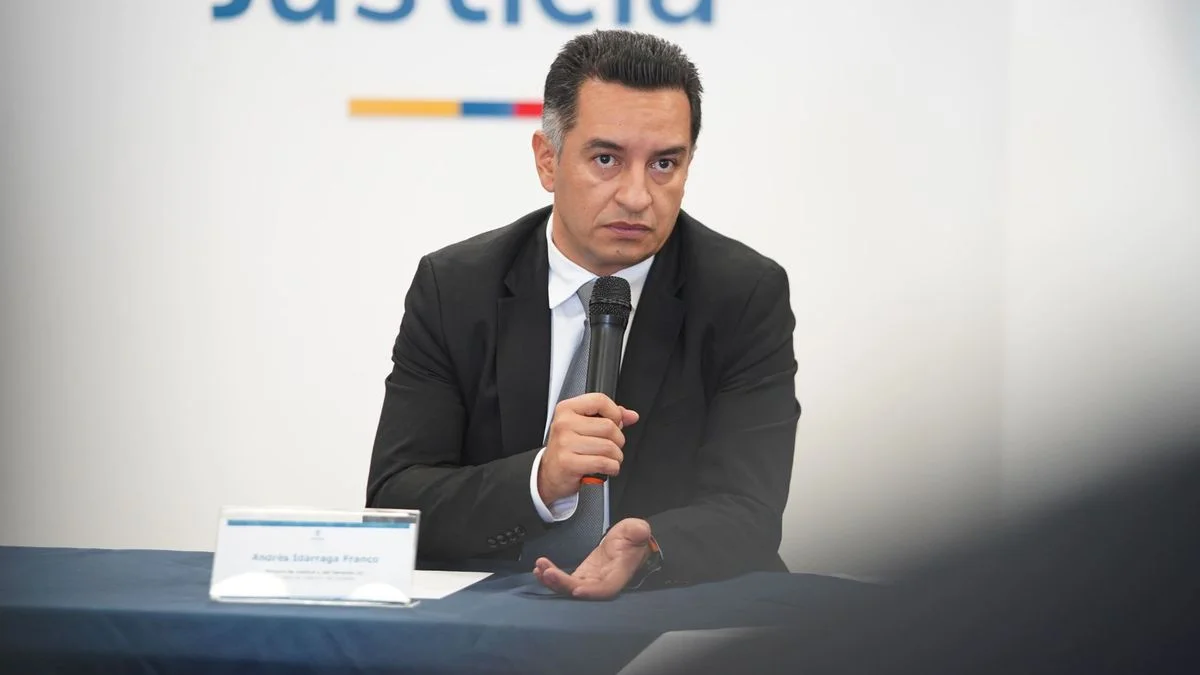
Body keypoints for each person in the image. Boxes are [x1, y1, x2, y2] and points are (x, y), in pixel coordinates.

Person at [366, 29, 800, 600]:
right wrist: (539, 479)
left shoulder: (742, 294)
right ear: (548, 160)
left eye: (664, 163)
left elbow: (750, 508)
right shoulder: (456, 288)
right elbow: (396, 502)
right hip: (493, 609)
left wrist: (652, 546)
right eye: (606, 159)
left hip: (667, 608)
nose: (637, 196)